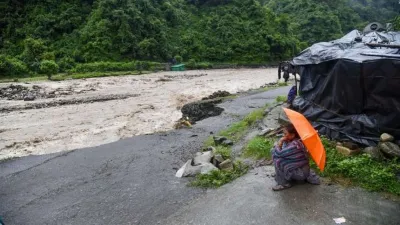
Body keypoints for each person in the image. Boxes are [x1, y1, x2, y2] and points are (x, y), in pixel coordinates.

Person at [271, 124, 320, 191]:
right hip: (298, 167)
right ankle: (282, 174)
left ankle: (284, 183)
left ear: (292, 135)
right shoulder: (291, 141)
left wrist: (280, 142)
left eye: (285, 133)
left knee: (278, 161)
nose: (283, 135)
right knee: (274, 152)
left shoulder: (295, 145)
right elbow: (283, 152)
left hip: (301, 173)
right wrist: (282, 143)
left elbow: (280, 153)